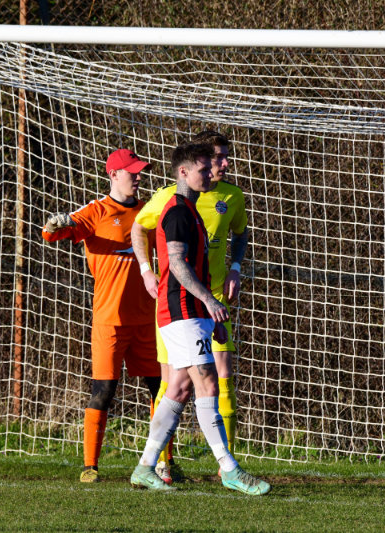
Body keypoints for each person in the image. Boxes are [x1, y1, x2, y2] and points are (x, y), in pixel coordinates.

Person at [130, 142, 269, 495]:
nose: (211, 174)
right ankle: (229, 469)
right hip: (181, 308)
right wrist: (208, 300)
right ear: (183, 172)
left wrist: (210, 313)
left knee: (179, 387)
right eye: (203, 169)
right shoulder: (176, 211)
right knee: (207, 383)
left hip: (193, 311)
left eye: (211, 168)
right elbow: (176, 264)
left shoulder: (191, 210)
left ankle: (145, 467)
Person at [42, 149, 161, 483]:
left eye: (141, 172)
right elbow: (54, 233)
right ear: (114, 174)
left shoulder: (148, 211)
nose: (139, 177)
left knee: (162, 391)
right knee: (103, 390)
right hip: (109, 320)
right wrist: (54, 225)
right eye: (133, 172)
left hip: (147, 319)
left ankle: (163, 463)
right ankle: (90, 466)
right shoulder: (96, 211)